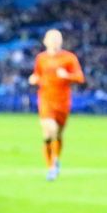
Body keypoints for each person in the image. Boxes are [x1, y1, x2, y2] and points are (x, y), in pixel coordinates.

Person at [28, 29, 85, 181]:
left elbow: (80, 77)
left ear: (61, 41)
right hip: (46, 99)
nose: (54, 41)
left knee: (57, 134)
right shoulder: (41, 58)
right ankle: (51, 167)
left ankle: (56, 159)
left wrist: (67, 76)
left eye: (57, 38)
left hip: (63, 101)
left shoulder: (69, 58)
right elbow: (37, 74)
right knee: (49, 130)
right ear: (45, 41)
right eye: (51, 38)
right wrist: (33, 79)